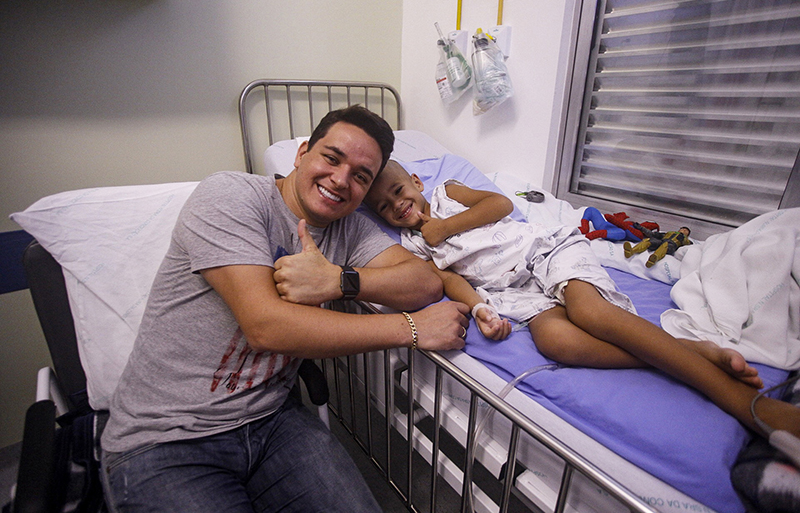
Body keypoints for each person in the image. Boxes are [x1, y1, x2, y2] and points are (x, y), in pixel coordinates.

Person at [99, 107, 470, 513]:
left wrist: (338, 280)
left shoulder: (350, 229)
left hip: (272, 419)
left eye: (361, 176)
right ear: (302, 153)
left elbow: (425, 281)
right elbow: (266, 326)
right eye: (331, 158)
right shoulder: (231, 195)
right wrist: (411, 328)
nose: (341, 180)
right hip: (166, 438)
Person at [364, 159, 800, 442]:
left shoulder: (448, 194)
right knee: (558, 343)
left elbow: (499, 204)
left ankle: (745, 403)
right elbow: (448, 280)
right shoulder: (412, 246)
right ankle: (687, 351)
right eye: (384, 207)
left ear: (417, 182)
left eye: (399, 191)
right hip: (513, 292)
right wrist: (480, 308)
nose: (397, 205)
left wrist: (447, 226)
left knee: (590, 312)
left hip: (546, 252)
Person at [624, 226, 692, 268]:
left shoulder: (685, 239)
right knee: (648, 241)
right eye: (682, 229)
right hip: (662, 241)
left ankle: (654, 258)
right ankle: (631, 251)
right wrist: (641, 228)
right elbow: (653, 234)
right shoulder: (668, 233)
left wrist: (686, 240)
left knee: (665, 245)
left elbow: (690, 246)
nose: (683, 230)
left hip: (671, 245)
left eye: (686, 231)